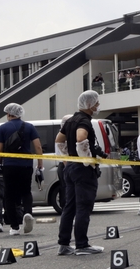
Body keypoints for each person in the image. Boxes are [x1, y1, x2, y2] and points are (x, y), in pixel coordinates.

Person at [57, 91, 105, 256]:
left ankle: (64, 244)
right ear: (89, 104)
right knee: (83, 206)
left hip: (70, 167)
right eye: (96, 103)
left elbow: (59, 140)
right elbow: (80, 137)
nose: (98, 106)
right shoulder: (84, 120)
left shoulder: (70, 120)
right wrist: (87, 160)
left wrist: (68, 157)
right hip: (82, 170)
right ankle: (82, 245)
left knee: (69, 206)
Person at [0, 103, 44, 236]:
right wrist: (40, 164)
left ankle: (14, 227)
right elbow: (38, 146)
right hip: (26, 165)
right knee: (26, 192)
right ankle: (28, 213)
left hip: (9, 165)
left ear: (9, 114)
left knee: (9, 195)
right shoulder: (29, 127)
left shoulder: (3, 128)